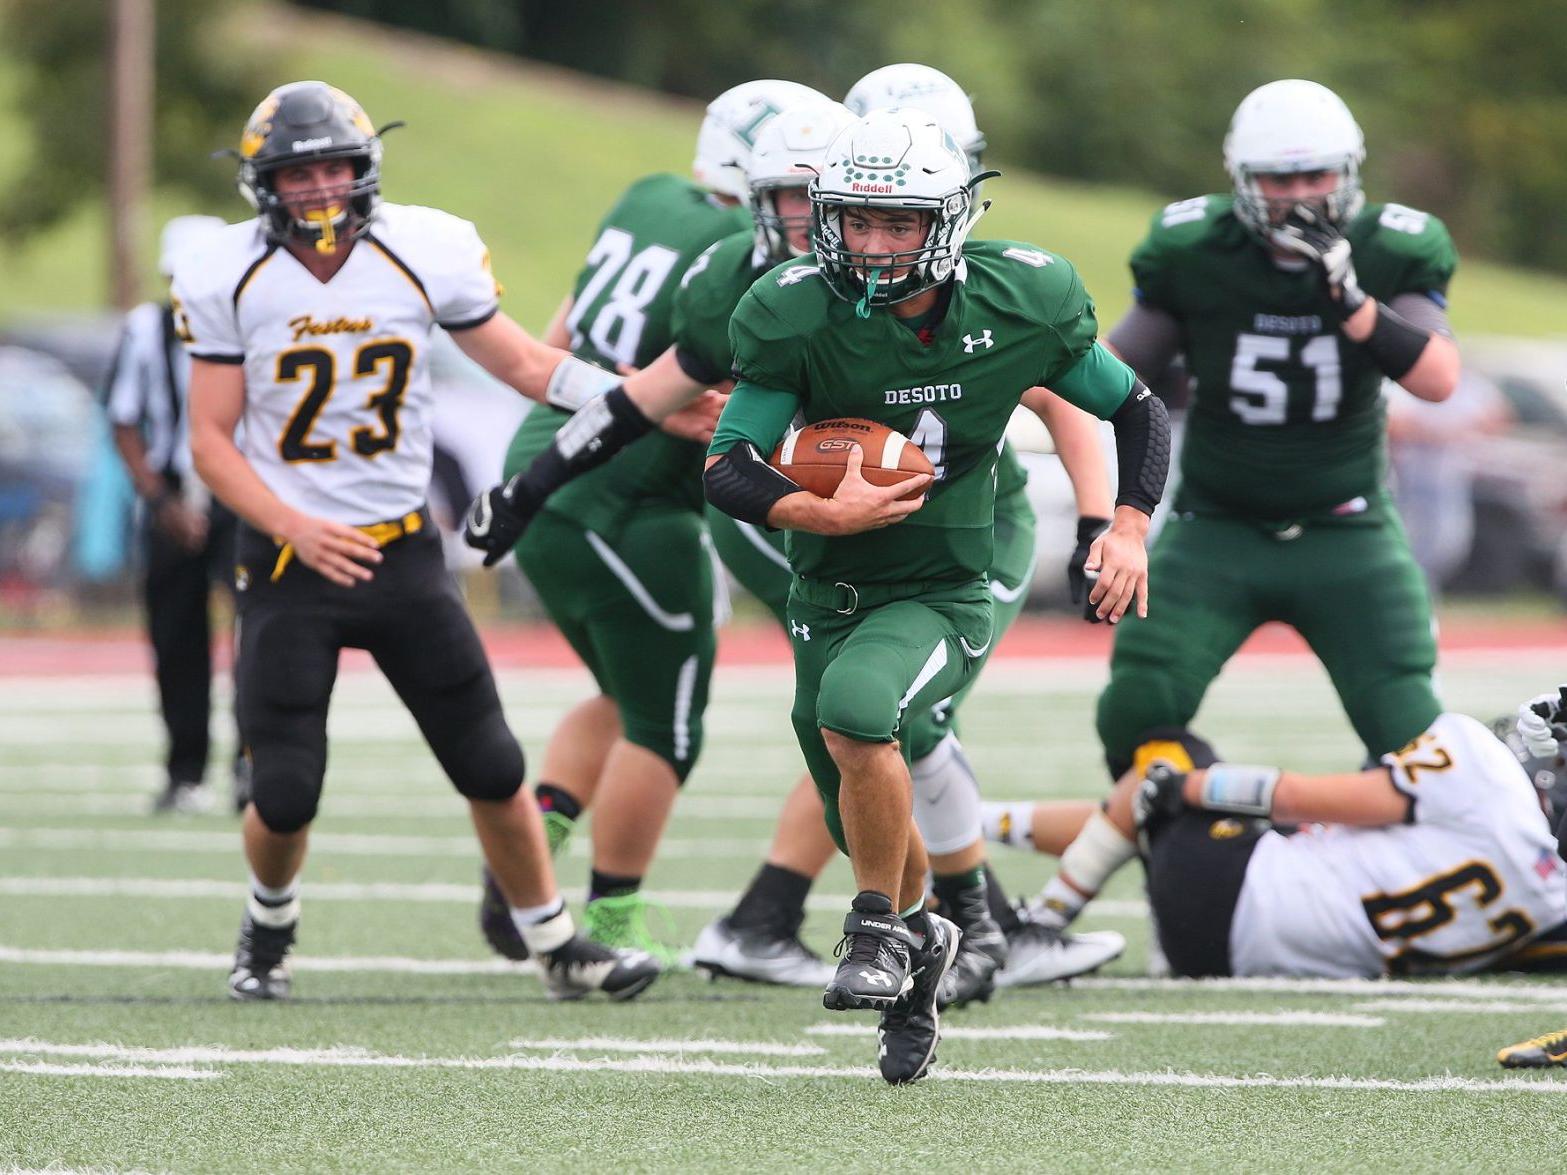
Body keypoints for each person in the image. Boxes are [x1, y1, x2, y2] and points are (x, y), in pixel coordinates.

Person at [702, 108, 1167, 1083]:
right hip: (826, 584)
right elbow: (728, 462)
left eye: (899, 224)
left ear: (948, 221)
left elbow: (1134, 407)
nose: (873, 245)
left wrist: (1122, 524)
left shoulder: (1023, 296)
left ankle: (875, 928)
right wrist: (816, 513)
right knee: (853, 799)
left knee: (861, 710)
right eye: (857, 221)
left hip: (944, 578)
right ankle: (922, 952)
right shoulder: (789, 305)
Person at [178, 79, 657, 1002]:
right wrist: (294, 525)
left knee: (490, 761)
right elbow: (209, 437)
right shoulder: (223, 270)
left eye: (333, 168)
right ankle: (269, 917)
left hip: (399, 549)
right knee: (283, 790)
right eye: (296, 173)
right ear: (262, 184)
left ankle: (555, 943)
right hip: (287, 557)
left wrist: (638, 396)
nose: (318, 189)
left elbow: (522, 361)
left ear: (364, 171)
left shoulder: (421, 247)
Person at [472, 79, 825, 963]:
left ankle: (528, 852)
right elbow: (684, 393)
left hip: (543, 454)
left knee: (625, 692)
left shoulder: (647, 196)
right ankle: (609, 925)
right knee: (665, 722)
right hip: (623, 492)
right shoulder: (736, 249)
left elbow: (563, 336)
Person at [1094, 79, 1461, 784]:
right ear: (1241, 179)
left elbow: (1437, 378)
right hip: (1216, 526)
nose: (1297, 193)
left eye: (1314, 173)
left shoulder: (1391, 246)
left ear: (1348, 173)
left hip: (1345, 527)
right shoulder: (1195, 248)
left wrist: (1351, 303)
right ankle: (1195, 848)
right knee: (1136, 704)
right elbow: (1111, 370)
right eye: (1277, 176)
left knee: (1408, 726)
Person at [983, 706, 1567, 985]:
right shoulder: (1553, 901)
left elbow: (1298, 796)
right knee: (1145, 822)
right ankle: (975, 824)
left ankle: (1034, 933)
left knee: (1164, 765)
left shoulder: (1485, 774)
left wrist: (1187, 786)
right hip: (1231, 958)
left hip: (1227, 888)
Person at [106, 214, 239, 814]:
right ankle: (186, 771)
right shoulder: (147, 328)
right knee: (176, 637)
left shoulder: (251, 321)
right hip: (172, 493)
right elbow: (124, 419)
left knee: (261, 631)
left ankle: (256, 765)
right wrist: (161, 500)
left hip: (243, 492)